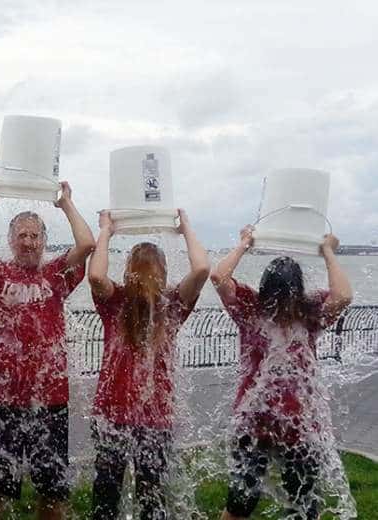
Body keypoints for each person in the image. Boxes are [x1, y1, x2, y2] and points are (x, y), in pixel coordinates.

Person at [0, 175, 95, 520]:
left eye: (35, 235)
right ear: (10, 241)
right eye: (21, 235)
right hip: (0, 398)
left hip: (48, 398)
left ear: (44, 241)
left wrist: (66, 202)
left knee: (52, 490)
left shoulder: (57, 274)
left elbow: (86, 244)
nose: (28, 242)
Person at [211, 226, 352, 520]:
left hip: (287, 424)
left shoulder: (303, 313)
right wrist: (244, 244)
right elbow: (218, 277)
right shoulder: (263, 310)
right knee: (248, 502)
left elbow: (344, 296)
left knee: (290, 504)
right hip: (267, 422)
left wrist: (328, 252)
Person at [88, 209, 210, 520]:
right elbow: (97, 276)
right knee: (136, 498)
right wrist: (105, 231)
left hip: (139, 418)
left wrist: (106, 231)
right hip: (119, 416)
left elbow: (202, 271)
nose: (145, 279)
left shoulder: (169, 306)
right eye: (141, 271)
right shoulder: (117, 302)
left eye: (149, 271)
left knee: (119, 499)